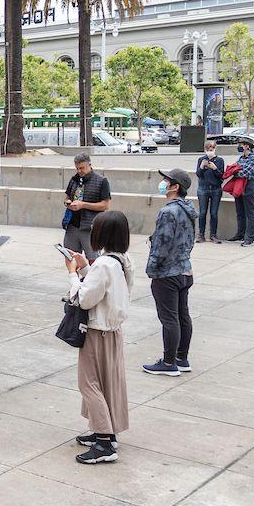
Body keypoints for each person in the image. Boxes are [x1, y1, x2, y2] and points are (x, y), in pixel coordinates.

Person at [64, 210, 132, 464]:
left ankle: (104, 441)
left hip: (96, 331)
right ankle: (104, 431)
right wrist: (86, 268)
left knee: (89, 384)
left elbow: (83, 299)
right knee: (108, 382)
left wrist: (73, 273)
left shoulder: (103, 265)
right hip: (113, 331)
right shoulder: (122, 260)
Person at [143, 169, 198, 376]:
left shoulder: (168, 212)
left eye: (166, 181)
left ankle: (168, 363)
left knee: (169, 318)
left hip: (168, 273)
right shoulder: (188, 209)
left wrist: (152, 268)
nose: (163, 183)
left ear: (175, 187)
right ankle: (181, 358)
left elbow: (162, 245)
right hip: (185, 270)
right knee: (182, 315)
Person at [63, 153, 112, 260]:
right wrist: (68, 203)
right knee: (71, 258)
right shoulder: (74, 179)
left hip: (90, 227)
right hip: (72, 225)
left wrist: (83, 205)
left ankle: (92, 277)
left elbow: (105, 205)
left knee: (93, 259)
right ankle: (75, 277)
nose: (79, 171)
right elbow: (66, 197)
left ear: (90, 165)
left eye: (82, 168)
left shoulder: (101, 181)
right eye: (77, 168)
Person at [229, 137, 254, 246]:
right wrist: (235, 170)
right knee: (240, 212)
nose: (239, 147)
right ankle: (240, 234)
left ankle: (250, 239)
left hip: (250, 186)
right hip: (239, 186)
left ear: (247, 146)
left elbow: (245, 172)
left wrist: (235, 171)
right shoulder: (240, 158)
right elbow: (234, 170)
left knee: (250, 213)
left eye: (241, 144)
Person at [195, 140, 225, 243]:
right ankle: (201, 234)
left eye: (211, 149)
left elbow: (222, 176)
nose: (209, 151)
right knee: (202, 212)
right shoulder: (201, 159)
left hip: (216, 189)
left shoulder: (220, 160)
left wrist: (215, 168)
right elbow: (199, 174)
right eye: (208, 149)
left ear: (215, 149)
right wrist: (202, 167)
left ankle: (213, 235)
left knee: (214, 213)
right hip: (203, 189)